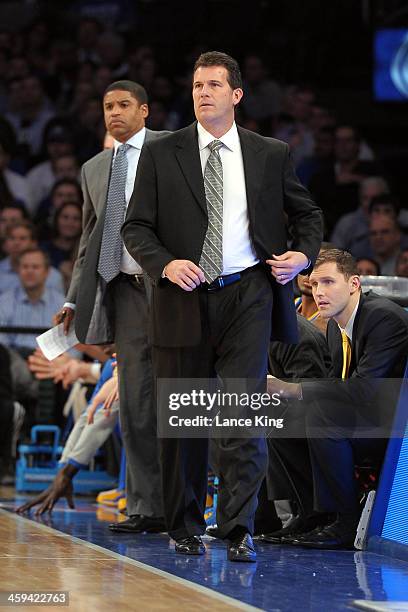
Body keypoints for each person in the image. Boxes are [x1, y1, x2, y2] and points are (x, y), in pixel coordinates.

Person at [122, 51, 323, 561]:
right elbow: (135, 227)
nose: (203, 92)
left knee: (243, 417)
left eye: (214, 84)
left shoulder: (269, 153)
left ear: (236, 95)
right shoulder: (163, 152)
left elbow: (307, 214)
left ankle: (238, 529)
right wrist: (165, 264)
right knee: (185, 420)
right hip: (183, 295)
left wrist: (303, 255)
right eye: (196, 85)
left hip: (248, 292)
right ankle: (184, 526)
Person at [55, 80, 169, 535]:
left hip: (173, 288)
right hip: (123, 291)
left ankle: (186, 501)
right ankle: (145, 506)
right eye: (107, 106)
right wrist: (71, 297)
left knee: (180, 395)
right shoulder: (95, 167)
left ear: (145, 110)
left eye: (123, 105)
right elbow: (88, 240)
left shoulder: (174, 149)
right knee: (136, 403)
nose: (114, 113)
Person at [267, 249, 408, 549]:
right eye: (315, 284)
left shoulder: (383, 317)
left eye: (329, 282)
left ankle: (345, 521)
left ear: (354, 283)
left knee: (322, 417)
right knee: (282, 418)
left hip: (395, 430)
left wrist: (293, 388)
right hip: (363, 419)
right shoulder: (335, 325)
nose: (319, 292)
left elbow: (362, 390)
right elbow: (335, 384)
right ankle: (313, 515)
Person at [0, 248, 65, 357]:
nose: (29, 271)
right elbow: (1, 345)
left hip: (52, 364)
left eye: (35, 267)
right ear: (18, 270)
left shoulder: (61, 304)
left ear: (47, 272)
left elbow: (72, 349)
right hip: (14, 364)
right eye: (25, 267)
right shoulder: (3, 302)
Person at [0, 221, 64, 294]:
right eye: (12, 238)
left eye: (22, 238)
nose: (16, 243)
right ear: (5, 243)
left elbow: (59, 303)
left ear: (33, 243)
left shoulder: (53, 276)